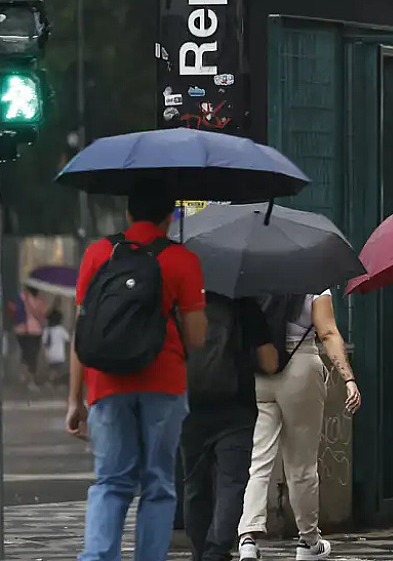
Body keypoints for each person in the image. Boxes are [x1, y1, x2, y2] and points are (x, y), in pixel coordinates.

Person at [66, 194, 208, 561]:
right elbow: (197, 338)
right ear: (169, 217)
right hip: (163, 383)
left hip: (106, 384)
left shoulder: (98, 254)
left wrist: (74, 400)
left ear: (128, 213)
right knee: (158, 483)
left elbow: (82, 332)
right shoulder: (182, 259)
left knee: (111, 481)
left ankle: (97, 556)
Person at [238, 292, 361, 561]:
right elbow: (327, 332)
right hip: (301, 365)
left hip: (260, 367)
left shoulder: (256, 273)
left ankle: (247, 537)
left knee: (259, 459)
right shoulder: (314, 280)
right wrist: (348, 378)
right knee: (302, 465)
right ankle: (308, 541)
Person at [182, 293, 279, 561]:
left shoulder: (181, 303)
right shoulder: (246, 305)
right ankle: (217, 549)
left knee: (194, 485)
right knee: (232, 483)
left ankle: (199, 550)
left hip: (191, 408)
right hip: (236, 410)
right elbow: (270, 363)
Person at [15, 284, 49, 383]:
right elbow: (44, 314)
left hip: (21, 330)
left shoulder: (23, 296)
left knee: (25, 354)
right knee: (32, 355)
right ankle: (30, 378)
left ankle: (24, 375)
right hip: (35, 331)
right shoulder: (41, 300)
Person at [42, 309, 71, 384]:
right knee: (57, 368)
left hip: (49, 354)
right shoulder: (61, 330)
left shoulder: (46, 330)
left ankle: (51, 379)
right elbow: (68, 338)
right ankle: (53, 380)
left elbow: (44, 343)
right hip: (59, 355)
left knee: (51, 368)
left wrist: (45, 354)